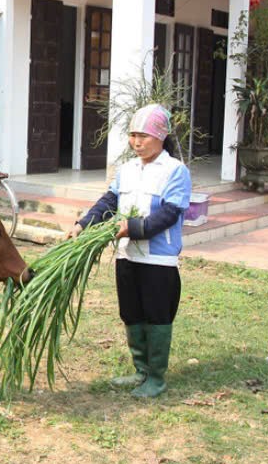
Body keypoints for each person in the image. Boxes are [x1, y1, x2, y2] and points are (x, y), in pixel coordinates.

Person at [66, 103, 191, 398]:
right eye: (133, 135)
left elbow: (170, 214)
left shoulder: (175, 171)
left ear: (160, 136)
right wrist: (82, 224)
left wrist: (133, 228)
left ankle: (157, 377)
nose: (137, 142)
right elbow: (109, 202)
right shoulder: (127, 169)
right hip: (127, 255)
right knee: (131, 313)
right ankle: (140, 370)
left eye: (143, 136)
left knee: (156, 316)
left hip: (158, 259)